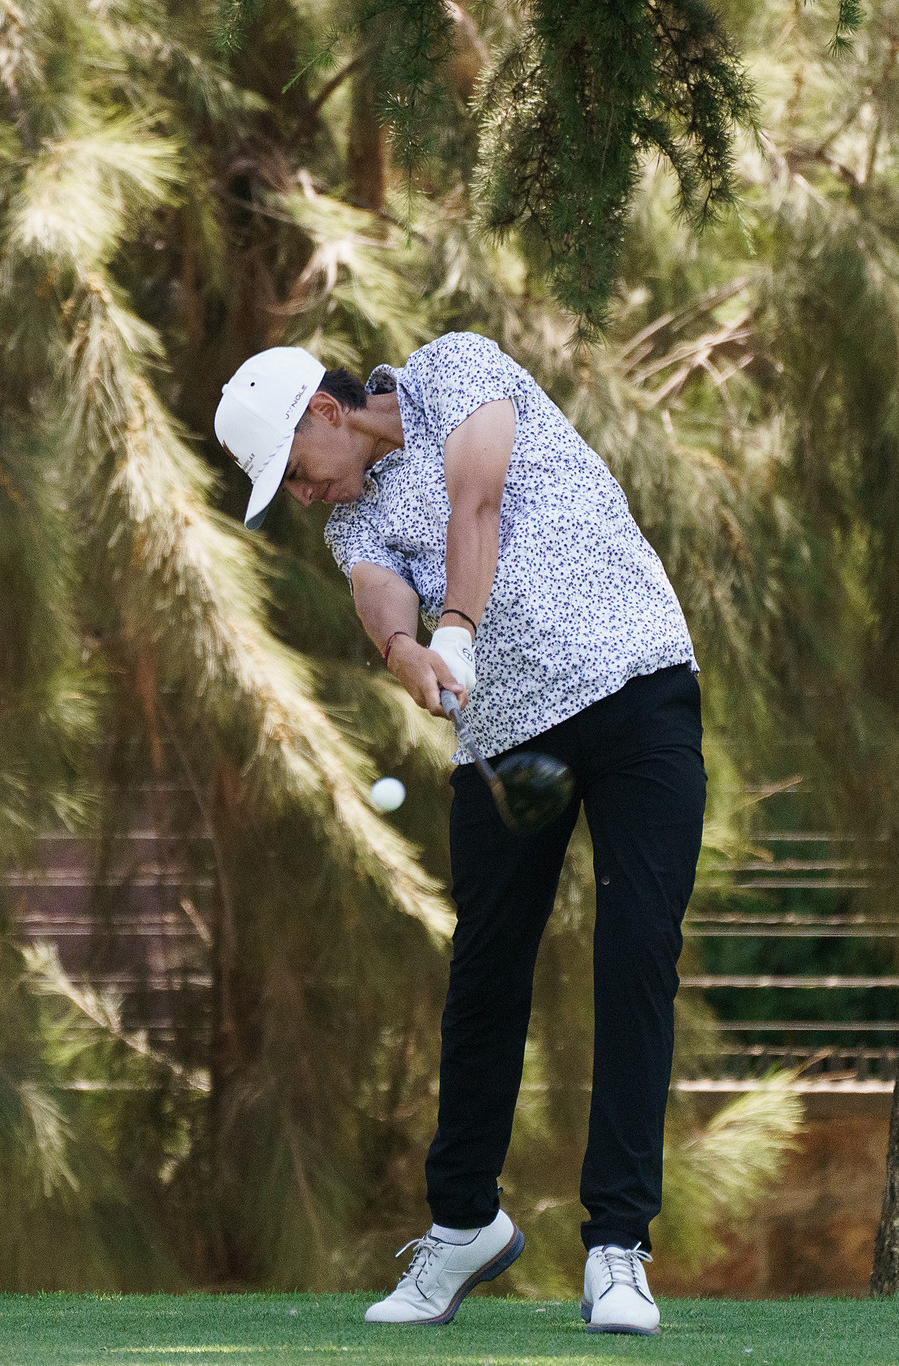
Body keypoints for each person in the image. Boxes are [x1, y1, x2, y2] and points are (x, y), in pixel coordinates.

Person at [214, 334, 705, 1335]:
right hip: (506, 742)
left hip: (637, 689)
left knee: (635, 953)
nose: (301, 495)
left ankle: (617, 1246)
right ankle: (465, 1223)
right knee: (485, 974)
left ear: (325, 411)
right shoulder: (352, 517)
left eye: (295, 470)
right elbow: (375, 586)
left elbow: (474, 500)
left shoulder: (454, 368)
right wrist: (401, 647)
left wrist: (457, 629)